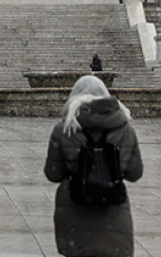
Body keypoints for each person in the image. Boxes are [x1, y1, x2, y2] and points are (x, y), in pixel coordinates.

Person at [44, 75, 143, 257]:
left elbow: (53, 173)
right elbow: (135, 172)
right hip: (112, 211)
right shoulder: (125, 128)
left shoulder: (65, 129)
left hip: (75, 210)